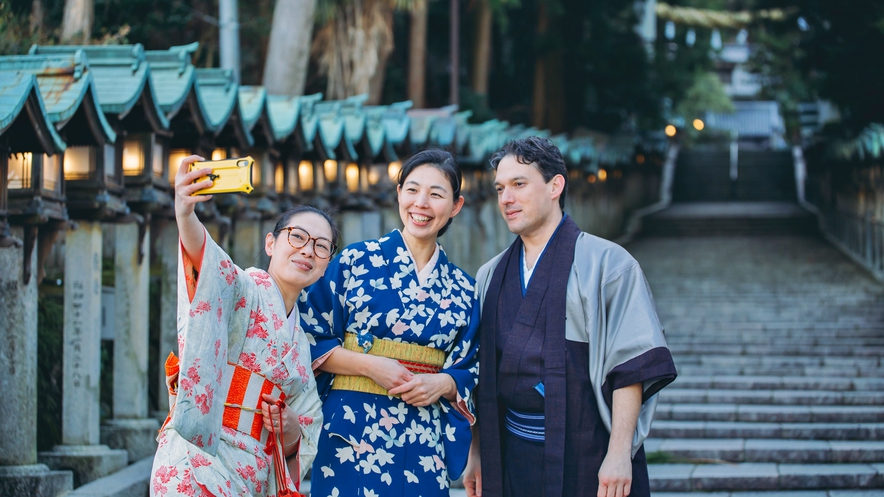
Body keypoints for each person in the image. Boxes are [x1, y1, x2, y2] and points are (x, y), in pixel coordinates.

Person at [463, 137, 677, 497]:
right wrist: (476, 451)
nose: (506, 199)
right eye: (500, 188)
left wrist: (620, 453)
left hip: (587, 452)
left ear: (555, 186)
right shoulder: (490, 274)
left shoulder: (607, 265)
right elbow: (480, 375)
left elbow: (631, 367)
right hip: (510, 454)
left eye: (519, 184)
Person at [298, 149, 480, 496]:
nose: (421, 203)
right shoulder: (354, 260)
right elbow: (307, 336)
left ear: (456, 205)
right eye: (412, 190)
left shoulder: (464, 288)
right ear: (398, 193)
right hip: (351, 431)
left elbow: (472, 366)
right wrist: (370, 366)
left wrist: (442, 383)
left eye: (436, 194)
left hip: (424, 436)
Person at [150, 155, 333, 496]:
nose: (307, 251)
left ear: (325, 265)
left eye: (321, 247)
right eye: (297, 237)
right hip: (197, 459)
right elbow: (209, 265)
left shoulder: (301, 345)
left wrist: (291, 429)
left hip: (252, 473)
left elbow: (307, 424)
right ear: (270, 243)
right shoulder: (245, 288)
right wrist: (185, 213)